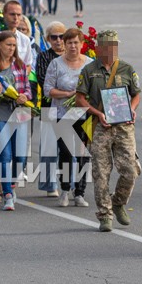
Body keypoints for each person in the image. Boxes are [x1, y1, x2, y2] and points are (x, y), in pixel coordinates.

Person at [73, 30, 141, 232]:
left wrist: (132, 110)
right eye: (108, 46)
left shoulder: (127, 69)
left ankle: (118, 201)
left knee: (131, 170)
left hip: (124, 126)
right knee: (101, 173)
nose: (112, 50)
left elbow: (136, 95)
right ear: (98, 48)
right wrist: (97, 113)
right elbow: (80, 99)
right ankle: (105, 215)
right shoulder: (89, 70)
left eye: (115, 46)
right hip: (100, 126)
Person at [0, 30, 34, 211]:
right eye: (8, 45)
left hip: (19, 114)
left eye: (14, 46)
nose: (12, 49)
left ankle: (11, 183)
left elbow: (28, 89)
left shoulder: (19, 65)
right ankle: (8, 195)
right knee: (4, 156)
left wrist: (23, 96)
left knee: (19, 156)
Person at [46, 27, 93, 207]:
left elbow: (95, 88)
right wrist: (69, 94)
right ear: (64, 45)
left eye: (76, 42)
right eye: (69, 43)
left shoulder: (89, 63)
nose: (73, 46)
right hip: (62, 114)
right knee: (66, 152)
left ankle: (79, 192)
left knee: (83, 154)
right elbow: (48, 89)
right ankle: (65, 189)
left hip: (85, 115)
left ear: (82, 44)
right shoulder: (56, 64)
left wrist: (84, 98)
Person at [34, 21, 67, 198]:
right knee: (49, 148)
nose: (58, 40)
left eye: (62, 36)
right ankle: (49, 184)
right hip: (49, 107)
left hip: (70, 109)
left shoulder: (73, 56)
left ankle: (69, 184)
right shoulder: (44, 57)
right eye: (54, 37)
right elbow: (43, 80)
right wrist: (66, 89)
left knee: (70, 148)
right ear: (48, 39)